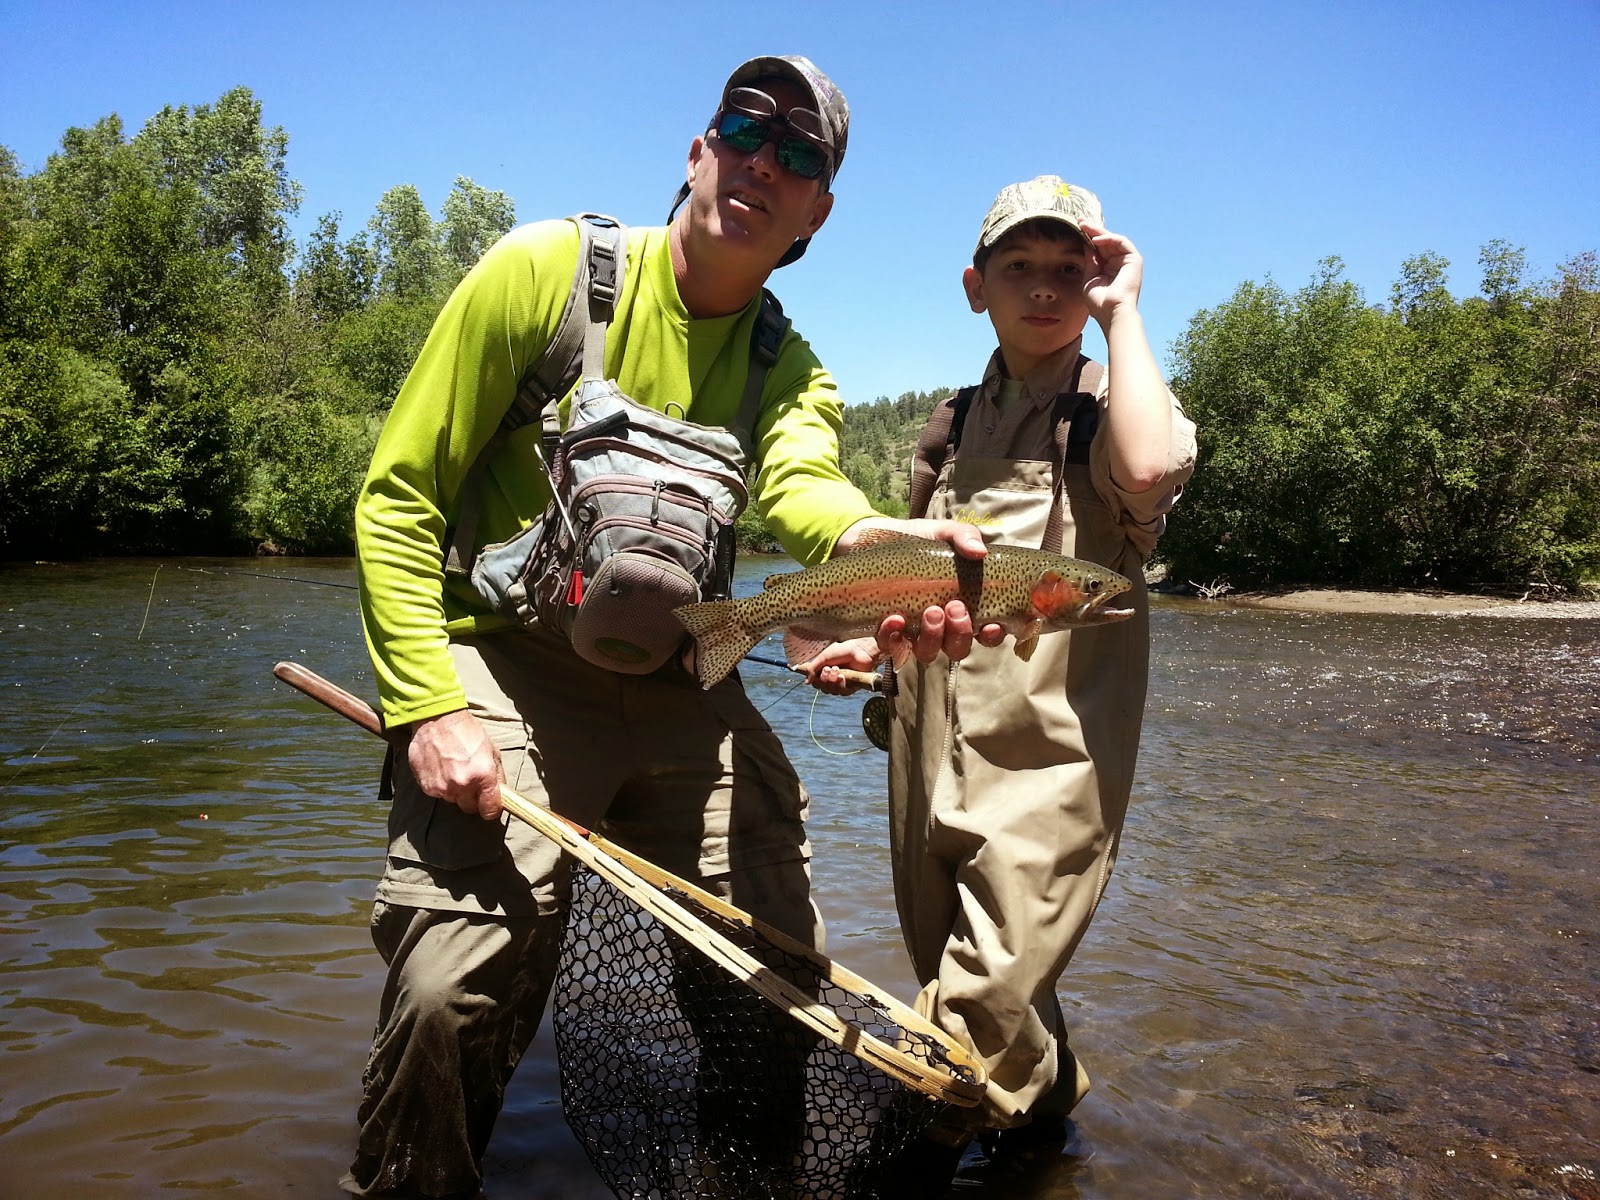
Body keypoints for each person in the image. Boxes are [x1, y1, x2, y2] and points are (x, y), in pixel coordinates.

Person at [345, 55, 995, 1199]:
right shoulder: (541, 274)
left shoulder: (786, 364)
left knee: (773, 978)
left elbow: (806, 493)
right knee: (453, 994)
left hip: (688, 682)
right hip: (505, 664)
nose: (764, 160)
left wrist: (866, 553)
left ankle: (742, 1177)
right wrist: (429, 706)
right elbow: (396, 499)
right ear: (699, 151)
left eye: (799, 156)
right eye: (746, 129)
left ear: (817, 211)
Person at [803, 175, 1198, 1193]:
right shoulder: (947, 425)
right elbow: (922, 590)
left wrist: (1126, 315)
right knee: (963, 969)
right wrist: (865, 650)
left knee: (977, 999)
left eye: (1070, 269)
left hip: (1054, 759)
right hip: (926, 740)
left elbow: (1149, 477)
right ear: (974, 286)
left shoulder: (1118, 401)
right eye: (1017, 268)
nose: (1044, 289)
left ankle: (899, 1169)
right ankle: (1045, 1136)